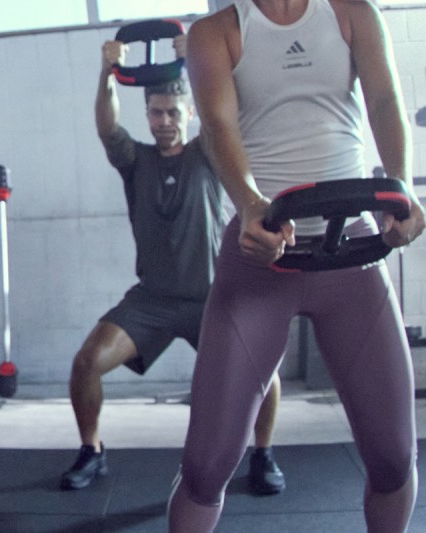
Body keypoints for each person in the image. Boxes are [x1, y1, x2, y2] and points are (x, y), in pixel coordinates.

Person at [172, 1, 420, 531]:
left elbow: (384, 99)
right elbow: (217, 125)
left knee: (393, 458)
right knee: (205, 465)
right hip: (261, 253)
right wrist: (250, 203)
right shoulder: (215, 33)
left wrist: (397, 187)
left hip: (350, 254)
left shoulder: (354, 14)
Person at [60, 36, 286, 494]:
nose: (164, 122)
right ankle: (92, 451)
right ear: (147, 116)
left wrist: (195, 61)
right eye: (157, 114)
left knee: (265, 371)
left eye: (173, 113)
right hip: (153, 300)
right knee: (87, 362)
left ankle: (263, 455)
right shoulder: (135, 160)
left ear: (189, 114)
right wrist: (107, 72)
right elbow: (106, 127)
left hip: (213, 297)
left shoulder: (207, 153)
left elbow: (223, 109)